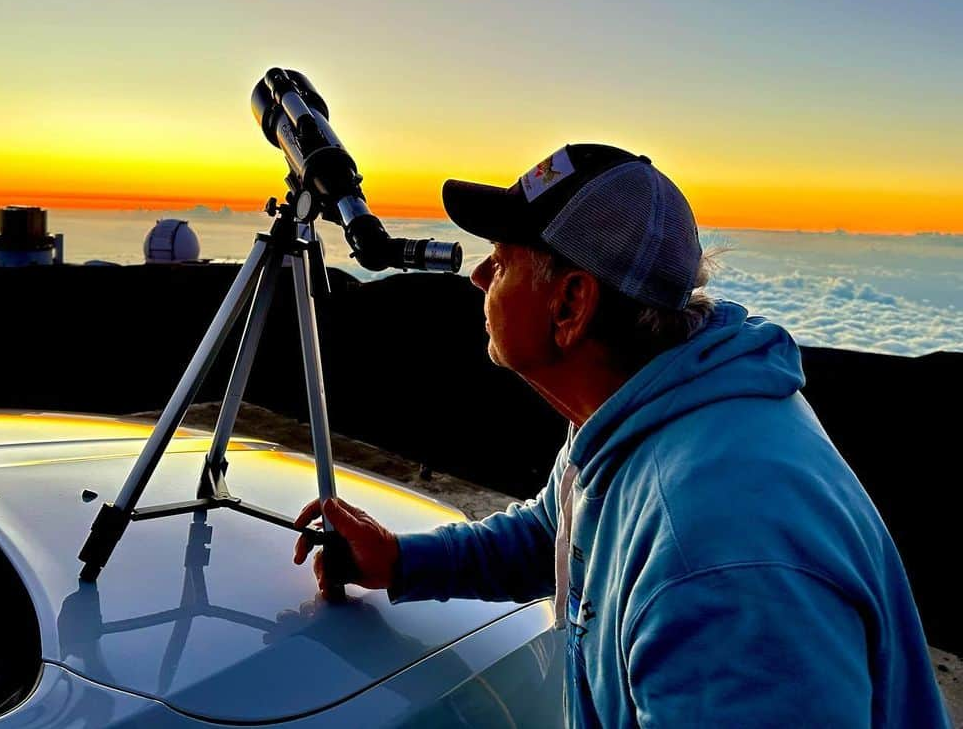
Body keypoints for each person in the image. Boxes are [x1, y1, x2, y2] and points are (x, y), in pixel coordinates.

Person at [293, 143, 950, 728]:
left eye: (502, 258)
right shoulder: (638, 407)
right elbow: (559, 532)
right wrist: (404, 561)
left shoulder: (717, 569)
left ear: (571, 305)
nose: (479, 277)